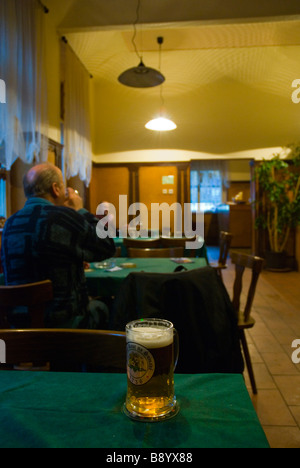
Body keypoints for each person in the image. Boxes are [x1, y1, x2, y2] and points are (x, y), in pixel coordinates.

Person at [1, 163, 116, 329]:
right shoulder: (66, 217)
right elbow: (108, 245)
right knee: (109, 304)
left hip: (18, 327)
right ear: (55, 188)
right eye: (63, 186)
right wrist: (80, 210)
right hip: (65, 326)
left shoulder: (10, 223)